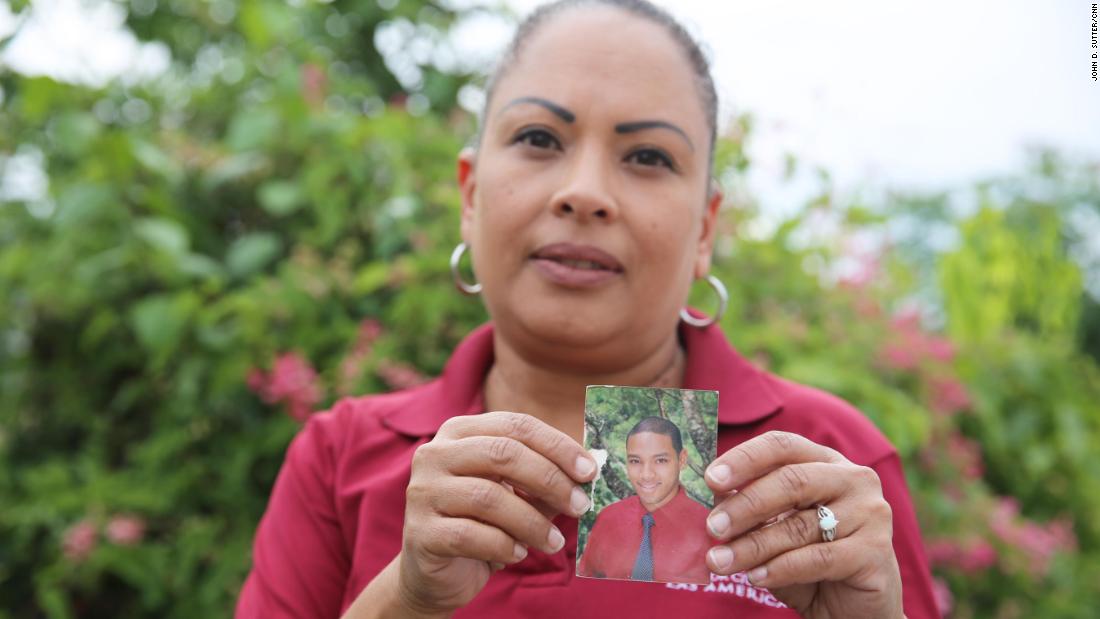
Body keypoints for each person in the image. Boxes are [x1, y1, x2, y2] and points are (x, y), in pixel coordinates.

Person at [235, 0, 939, 617]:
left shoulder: (828, 460)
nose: (585, 191)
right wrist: (409, 599)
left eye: (649, 157)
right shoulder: (340, 458)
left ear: (704, 229)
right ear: (471, 194)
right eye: (539, 139)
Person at [577, 417, 712, 584]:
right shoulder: (609, 518)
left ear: (682, 459)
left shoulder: (708, 527)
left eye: (661, 460)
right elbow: (587, 583)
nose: (646, 475)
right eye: (635, 461)